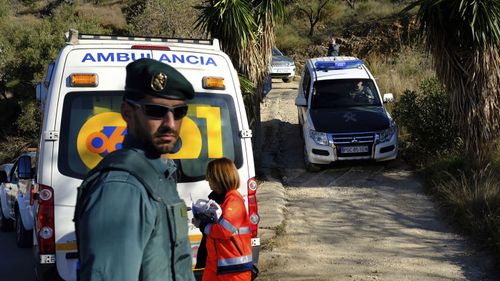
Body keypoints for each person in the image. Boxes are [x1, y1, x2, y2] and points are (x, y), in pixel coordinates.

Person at [74, 58, 196, 281]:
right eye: (156, 111)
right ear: (127, 112)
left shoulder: (158, 173)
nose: (170, 123)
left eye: (179, 112)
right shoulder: (120, 188)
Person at [193, 158, 253, 281]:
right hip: (216, 266)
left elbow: (224, 230)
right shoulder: (220, 199)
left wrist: (202, 225)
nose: (206, 179)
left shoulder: (234, 200)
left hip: (234, 271)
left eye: (209, 176)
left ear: (219, 177)